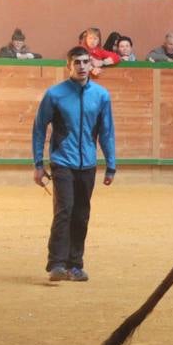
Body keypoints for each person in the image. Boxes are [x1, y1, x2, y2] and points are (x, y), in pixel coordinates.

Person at [32, 47, 117, 283]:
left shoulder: (101, 95)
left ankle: (75, 265)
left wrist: (111, 164)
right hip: (62, 162)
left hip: (88, 164)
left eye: (85, 62)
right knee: (64, 210)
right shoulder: (55, 94)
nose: (81, 66)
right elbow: (39, 128)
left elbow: (106, 131)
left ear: (91, 65)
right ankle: (57, 263)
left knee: (81, 215)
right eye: (76, 62)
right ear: (68, 66)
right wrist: (38, 164)